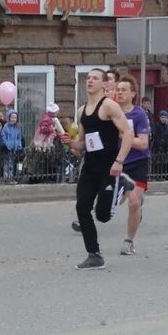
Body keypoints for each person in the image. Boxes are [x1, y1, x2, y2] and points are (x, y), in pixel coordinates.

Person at [61, 68, 133, 270]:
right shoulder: (82, 110)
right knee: (81, 207)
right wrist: (70, 143)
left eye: (95, 78)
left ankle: (123, 186)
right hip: (90, 167)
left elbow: (127, 134)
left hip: (109, 167)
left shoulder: (109, 106)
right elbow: (81, 145)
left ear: (104, 84)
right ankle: (94, 254)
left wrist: (119, 162)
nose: (90, 81)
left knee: (102, 215)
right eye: (88, 78)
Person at [115, 75, 150, 256]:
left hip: (137, 162)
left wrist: (124, 137)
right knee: (109, 207)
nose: (120, 93)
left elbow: (144, 143)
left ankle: (129, 241)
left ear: (132, 93)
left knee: (134, 202)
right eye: (118, 89)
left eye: (124, 90)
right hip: (116, 163)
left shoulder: (139, 114)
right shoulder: (111, 113)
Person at [0, 109, 24, 182]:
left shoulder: (17, 128)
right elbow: (3, 137)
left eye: (15, 118)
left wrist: (19, 146)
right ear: (9, 117)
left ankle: (12, 177)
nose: (14, 119)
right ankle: (6, 177)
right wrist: (7, 145)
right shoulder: (5, 127)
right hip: (7, 149)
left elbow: (19, 137)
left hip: (15, 149)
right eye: (12, 117)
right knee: (7, 164)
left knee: (13, 164)